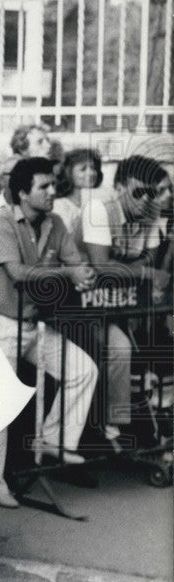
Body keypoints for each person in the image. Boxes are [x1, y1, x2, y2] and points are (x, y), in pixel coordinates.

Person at [0, 157, 99, 508]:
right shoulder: (0, 221)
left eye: (52, 185)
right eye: (43, 187)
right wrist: (68, 274)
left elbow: (75, 262)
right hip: (0, 323)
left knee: (82, 370)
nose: (51, 192)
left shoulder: (56, 221)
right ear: (22, 192)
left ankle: (52, 439)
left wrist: (83, 272)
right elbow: (16, 273)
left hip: (35, 324)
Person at [78, 155, 172, 449]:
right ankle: (101, 431)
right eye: (138, 192)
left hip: (115, 303)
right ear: (118, 188)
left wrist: (145, 273)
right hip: (75, 303)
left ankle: (117, 428)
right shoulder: (98, 209)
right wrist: (144, 272)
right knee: (115, 351)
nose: (146, 199)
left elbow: (152, 267)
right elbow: (102, 265)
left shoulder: (149, 214)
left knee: (129, 349)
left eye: (152, 192)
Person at [0, 123, 53, 220]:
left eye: (48, 141)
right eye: (40, 142)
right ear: (22, 148)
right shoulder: (11, 168)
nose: (48, 146)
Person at [53, 148, 103, 235]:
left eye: (93, 168)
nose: (91, 173)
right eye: (83, 169)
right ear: (69, 173)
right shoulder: (59, 205)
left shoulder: (100, 201)